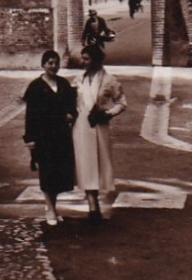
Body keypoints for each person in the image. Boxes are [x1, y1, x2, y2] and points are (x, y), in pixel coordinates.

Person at [21, 49, 78, 226]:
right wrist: (30, 139)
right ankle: (51, 209)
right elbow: (30, 115)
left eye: (56, 63)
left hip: (61, 135)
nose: (53, 66)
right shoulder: (36, 87)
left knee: (59, 173)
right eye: (50, 63)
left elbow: (72, 107)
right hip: (43, 135)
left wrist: (71, 115)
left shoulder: (63, 84)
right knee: (46, 172)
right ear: (43, 65)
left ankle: (52, 206)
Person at [71, 43, 127, 222]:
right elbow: (71, 102)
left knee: (99, 164)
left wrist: (108, 114)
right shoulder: (78, 78)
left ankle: (95, 200)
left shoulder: (109, 80)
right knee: (85, 164)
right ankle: (92, 204)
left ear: (95, 60)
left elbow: (122, 102)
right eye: (83, 58)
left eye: (86, 59)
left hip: (99, 126)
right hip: (80, 126)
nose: (83, 62)